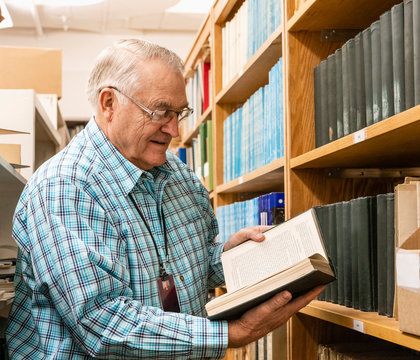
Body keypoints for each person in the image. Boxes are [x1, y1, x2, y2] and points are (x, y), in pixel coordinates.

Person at [6, 39, 324, 359]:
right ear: (109, 103)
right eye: (160, 111)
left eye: (180, 112)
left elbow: (186, 266)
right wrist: (232, 333)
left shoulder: (178, 175)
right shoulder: (64, 187)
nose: (173, 129)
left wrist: (227, 258)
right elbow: (102, 322)